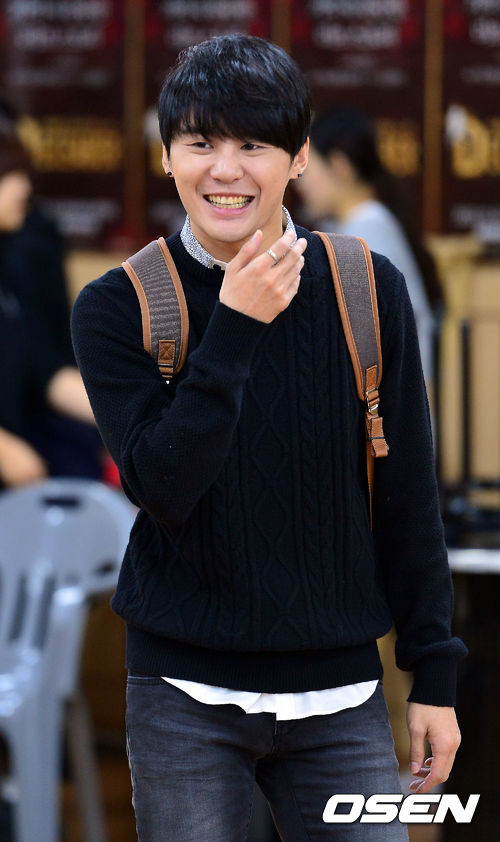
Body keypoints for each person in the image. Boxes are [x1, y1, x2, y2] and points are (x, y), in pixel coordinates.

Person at [71, 35, 466, 841]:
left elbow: (407, 494)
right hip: (182, 695)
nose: (226, 170)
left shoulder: (367, 287)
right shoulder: (118, 305)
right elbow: (162, 485)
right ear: (166, 157)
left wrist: (433, 671)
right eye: (200, 144)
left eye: (253, 145)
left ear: (299, 157)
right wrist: (237, 326)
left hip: (341, 696)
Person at [297, 107, 442, 385]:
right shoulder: (360, 225)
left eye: (307, 167)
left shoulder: (367, 229)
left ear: (340, 166)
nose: (299, 181)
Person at [0, 128, 96, 489]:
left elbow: (45, 371)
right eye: (10, 175)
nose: (23, 188)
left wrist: (127, 411)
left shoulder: (13, 268)